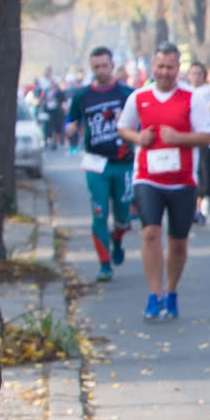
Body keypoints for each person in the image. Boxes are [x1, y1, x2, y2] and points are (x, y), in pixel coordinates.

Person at [116, 44, 210, 319]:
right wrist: (138, 138)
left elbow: (207, 135)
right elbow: (123, 127)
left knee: (178, 242)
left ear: (177, 68)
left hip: (183, 180)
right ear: (153, 67)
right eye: (160, 67)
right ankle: (154, 295)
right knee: (150, 233)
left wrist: (178, 139)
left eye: (170, 67)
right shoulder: (139, 97)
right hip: (147, 177)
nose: (164, 73)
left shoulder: (191, 98)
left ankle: (171, 292)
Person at [64, 47, 135, 282]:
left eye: (105, 66)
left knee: (123, 215)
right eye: (96, 67)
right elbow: (71, 118)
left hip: (122, 163)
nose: (101, 70)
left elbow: (143, 122)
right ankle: (104, 265)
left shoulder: (127, 93)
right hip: (95, 164)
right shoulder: (82, 96)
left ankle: (117, 239)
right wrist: (69, 128)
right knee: (99, 213)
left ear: (112, 65)